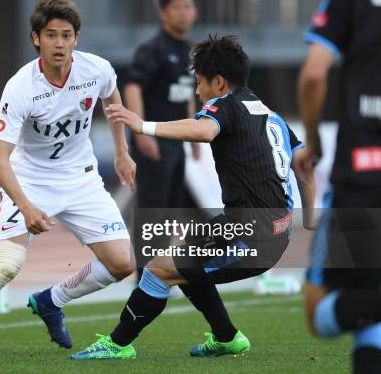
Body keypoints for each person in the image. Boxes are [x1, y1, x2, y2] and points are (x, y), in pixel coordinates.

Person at [71, 34, 316, 360]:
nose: (197, 91)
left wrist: (143, 126)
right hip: (265, 228)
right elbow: (305, 168)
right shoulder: (272, 115)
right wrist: (309, 220)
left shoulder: (225, 105)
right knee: (180, 259)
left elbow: (203, 131)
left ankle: (117, 344)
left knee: (160, 268)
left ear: (218, 82)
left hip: (251, 234)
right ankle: (226, 337)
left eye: (199, 82)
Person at [0, 0, 137, 354]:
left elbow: (112, 98)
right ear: (36, 38)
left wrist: (122, 152)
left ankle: (51, 301)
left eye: (67, 35)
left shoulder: (97, 70)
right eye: (51, 35)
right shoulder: (20, 88)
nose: (59, 43)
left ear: (76, 39)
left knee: (123, 264)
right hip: (29, 180)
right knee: (8, 265)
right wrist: (26, 206)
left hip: (80, 178)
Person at [296, 0, 381, 373]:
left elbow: (314, 74)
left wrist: (312, 142)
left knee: (318, 313)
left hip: (363, 172)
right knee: (370, 312)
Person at [125, 0, 200, 211]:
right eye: (176, 7)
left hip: (177, 141)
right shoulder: (152, 49)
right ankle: (149, 249)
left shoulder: (190, 50)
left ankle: (162, 248)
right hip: (154, 140)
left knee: (172, 205)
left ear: (195, 12)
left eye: (187, 6)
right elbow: (131, 87)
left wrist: (194, 135)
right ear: (163, 14)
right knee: (153, 207)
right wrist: (141, 132)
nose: (183, 12)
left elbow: (187, 92)